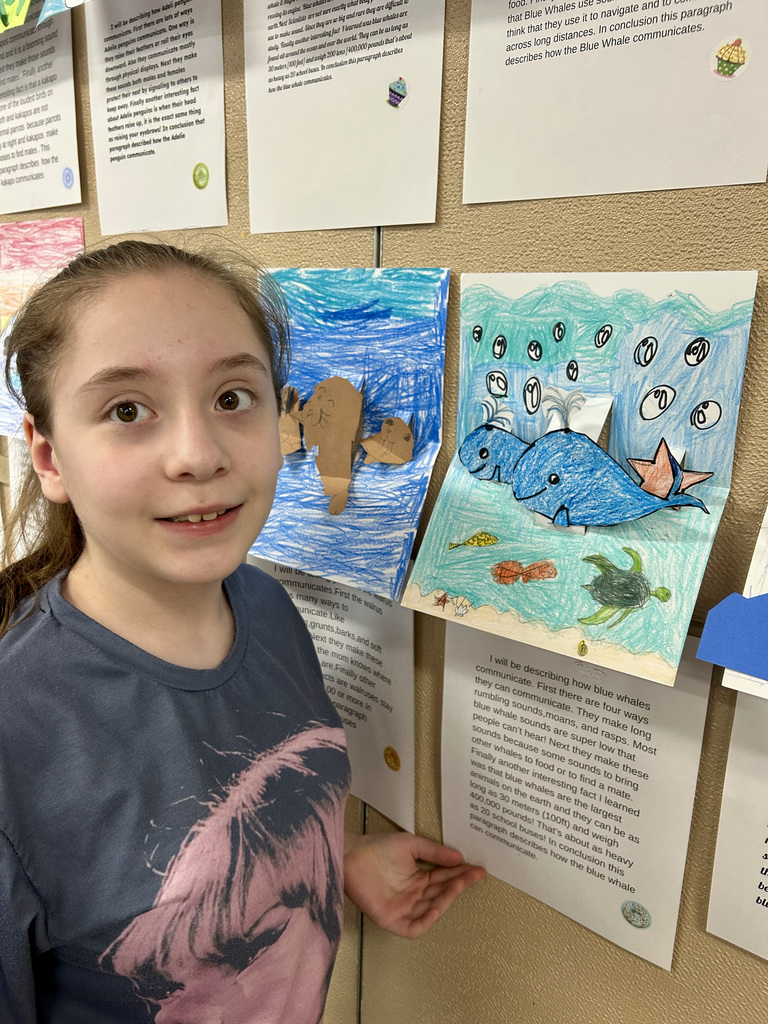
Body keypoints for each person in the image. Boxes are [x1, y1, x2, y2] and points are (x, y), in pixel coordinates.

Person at [0, 241, 484, 1024]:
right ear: (50, 457)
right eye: (128, 410)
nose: (198, 455)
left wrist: (339, 859)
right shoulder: (17, 738)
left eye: (232, 397)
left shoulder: (265, 607)